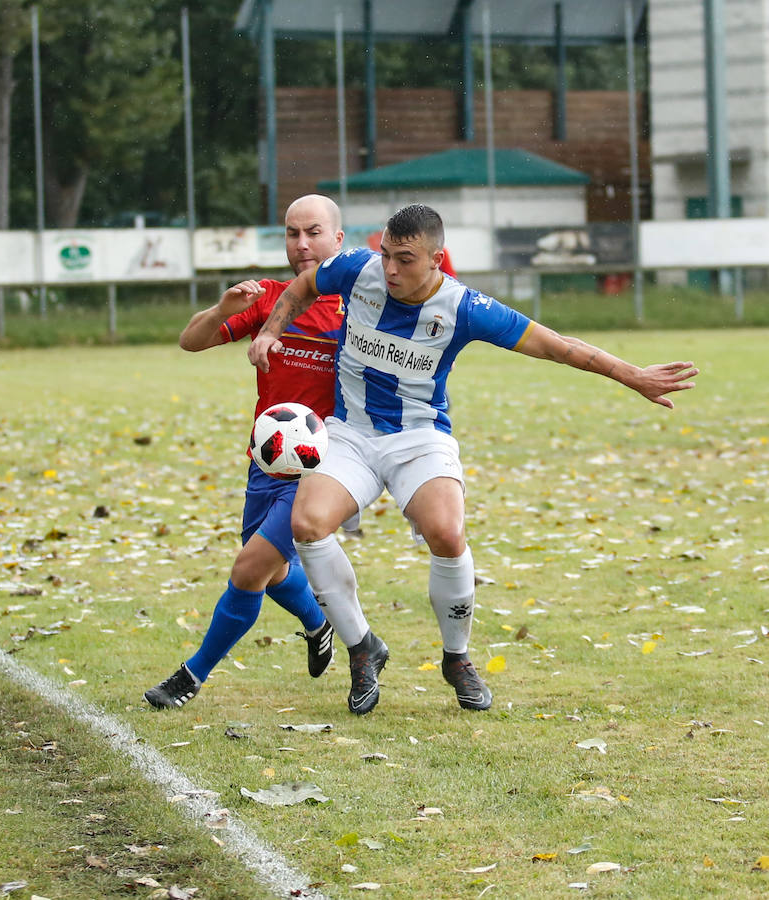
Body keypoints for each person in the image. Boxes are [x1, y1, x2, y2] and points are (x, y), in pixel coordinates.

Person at [248, 203, 699, 716]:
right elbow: (303, 287)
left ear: (436, 259)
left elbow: (558, 347)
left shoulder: (465, 307)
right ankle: (362, 649)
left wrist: (632, 375)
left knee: (447, 532)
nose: (391, 270)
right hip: (350, 433)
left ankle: (457, 658)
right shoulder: (357, 269)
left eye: (406, 259)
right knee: (308, 525)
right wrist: (270, 330)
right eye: (387, 255)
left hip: (419, 436)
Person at [144, 194, 346, 709]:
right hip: (267, 460)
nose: (302, 244)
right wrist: (222, 310)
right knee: (270, 569)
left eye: (314, 232)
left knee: (248, 568)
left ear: (338, 239)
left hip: (325, 469)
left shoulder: (358, 308)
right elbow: (191, 341)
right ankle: (318, 621)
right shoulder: (269, 297)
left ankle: (190, 677)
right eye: (292, 233)